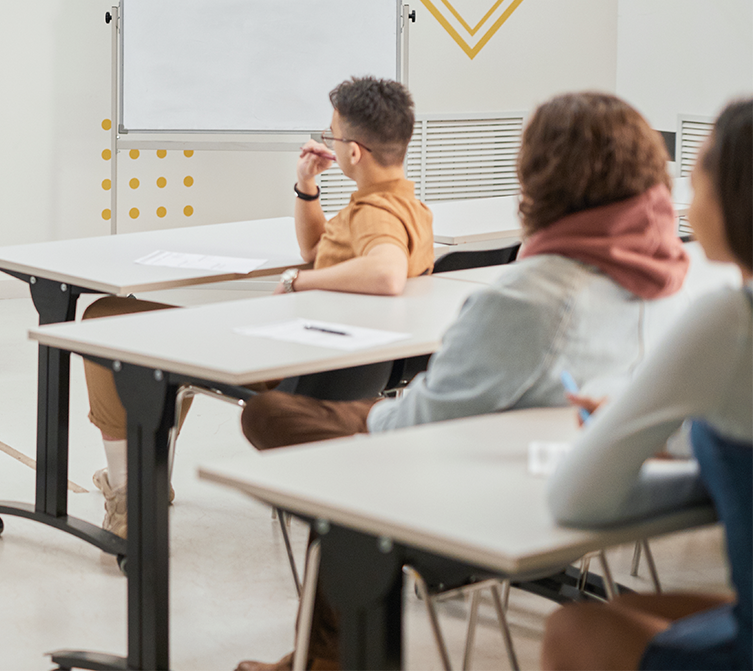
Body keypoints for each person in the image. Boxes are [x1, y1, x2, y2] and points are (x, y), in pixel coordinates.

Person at [235, 91, 692, 671]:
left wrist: (370, 421)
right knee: (315, 440)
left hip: (491, 482)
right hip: (578, 459)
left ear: (539, 177)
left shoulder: (530, 296)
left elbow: (421, 421)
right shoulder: (666, 273)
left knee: (324, 468)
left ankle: (323, 661)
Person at [82, 77, 434, 537]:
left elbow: (384, 272)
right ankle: (144, 477)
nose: (327, 140)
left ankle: (130, 493)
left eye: (333, 134)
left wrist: (296, 283)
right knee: (125, 322)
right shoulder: (409, 207)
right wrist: (306, 186)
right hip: (343, 364)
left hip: (285, 359)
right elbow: (319, 248)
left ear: (354, 152)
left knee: (105, 318)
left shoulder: (374, 215)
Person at [541, 97, 751, 671]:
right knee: (660, 610)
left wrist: (624, 435)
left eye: (698, 167)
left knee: (572, 630)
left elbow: (575, 497)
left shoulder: (731, 319)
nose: (684, 190)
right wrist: (684, 441)